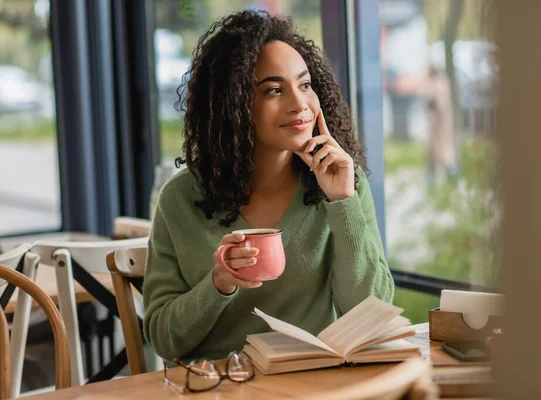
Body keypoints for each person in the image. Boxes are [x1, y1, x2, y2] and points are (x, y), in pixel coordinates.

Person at [143, 10, 395, 361]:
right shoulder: (180, 199)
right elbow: (164, 340)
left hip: (318, 386)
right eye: (274, 90)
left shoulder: (344, 183)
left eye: (305, 85)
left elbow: (373, 319)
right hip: (221, 389)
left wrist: (342, 202)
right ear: (233, 105)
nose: (300, 105)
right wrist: (219, 283)